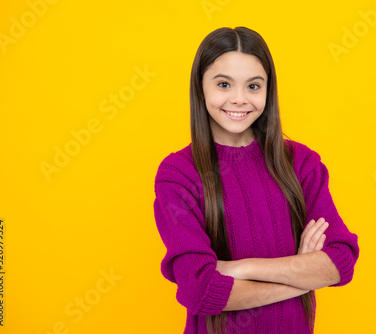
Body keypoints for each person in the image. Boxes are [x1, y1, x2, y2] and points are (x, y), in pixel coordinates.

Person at [153, 26, 359, 334]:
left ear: (268, 91)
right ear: (201, 88)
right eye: (224, 84)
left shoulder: (301, 163)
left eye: (253, 86)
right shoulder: (179, 174)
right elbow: (201, 290)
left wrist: (238, 268)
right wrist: (301, 276)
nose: (239, 99)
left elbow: (340, 262)